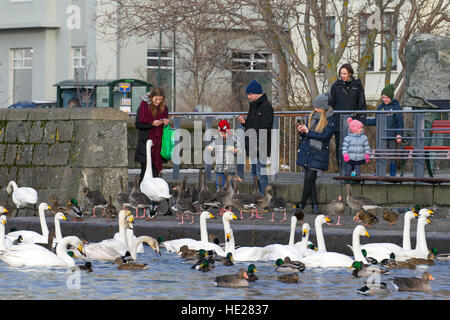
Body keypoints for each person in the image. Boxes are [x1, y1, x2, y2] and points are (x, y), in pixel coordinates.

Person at [296, 94, 336, 214]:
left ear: (323, 108)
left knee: (309, 178)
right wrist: (302, 132)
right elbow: (307, 136)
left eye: (317, 107)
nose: (315, 109)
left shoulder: (331, 119)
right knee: (309, 180)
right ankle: (314, 205)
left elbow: (325, 137)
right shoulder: (311, 116)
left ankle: (302, 204)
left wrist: (309, 132)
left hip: (318, 152)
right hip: (308, 150)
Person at [237, 79, 274, 194]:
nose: (248, 96)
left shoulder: (266, 107)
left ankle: (265, 199)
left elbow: (266, 127)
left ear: (255, 93)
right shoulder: (253, 106)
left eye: (249, 94)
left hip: (260, 145)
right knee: (254, 173)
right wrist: (244, 122)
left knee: (261, 174)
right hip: (253, 145)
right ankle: (258, 197)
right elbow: (251, 125)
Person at [329, 63, 367, 173]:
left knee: (355, 148)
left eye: (345, 73)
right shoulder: (336, 86)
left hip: (354, 123)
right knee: (341, 147)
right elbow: (332, 104)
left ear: (350, 73)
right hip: (339, 122)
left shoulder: (357, 85)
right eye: (341, 73)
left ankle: (354, 172)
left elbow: (362, 104)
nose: (342, 75)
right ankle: (342, 171)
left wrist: (361, 121)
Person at [366, 83, 404, 176]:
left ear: (391, 97)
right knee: (379, 154)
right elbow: (376, 120)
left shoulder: (396, 107)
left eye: (386, 97)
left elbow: (400, 122)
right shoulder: (380, 108)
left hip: (392, 136)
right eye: (383, 97)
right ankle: (379, 171)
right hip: (381, 135)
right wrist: (364, 121)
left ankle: (392, 173)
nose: (384, 100)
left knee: (392, 155)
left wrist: (399, 134)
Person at [134, 87, 170, 184]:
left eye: (160, 100)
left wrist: (165, 122)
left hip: (158, 144)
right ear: (151, 97)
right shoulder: (143, 107)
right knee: (145, 171)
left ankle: (153, 197)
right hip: (145, 143)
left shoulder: (164, 108)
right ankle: (142, 195)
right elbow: (138, 124)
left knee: (156, 172)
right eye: (156, 99)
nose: (158, 102)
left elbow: (165, 123)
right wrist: (151, 124)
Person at [206, 119, 241, 191]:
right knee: (219, 184)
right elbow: (212, 146)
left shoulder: (234, 139)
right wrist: (209, 148)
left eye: (225, 133)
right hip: (219, 166)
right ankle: (219, 198)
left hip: (230, 166)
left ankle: (230, 198)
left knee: (230, 183)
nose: (223, 135)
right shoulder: (216, 139)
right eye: (222, 133)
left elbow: (240, 151)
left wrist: (235, 150)